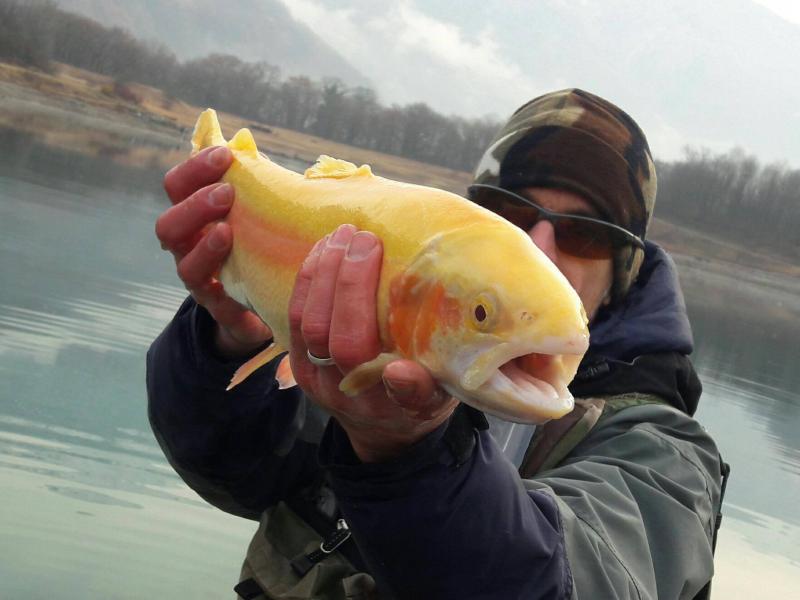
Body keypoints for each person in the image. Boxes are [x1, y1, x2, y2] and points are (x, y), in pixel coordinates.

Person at [148, 89, 726, 599]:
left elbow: (574, 583)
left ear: (623, 268)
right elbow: (238, 475)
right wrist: (231, 334)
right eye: (508, 212)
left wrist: (404, 451)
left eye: (586, 232)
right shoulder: (377, 325)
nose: (541, 245)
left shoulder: (665, 457)